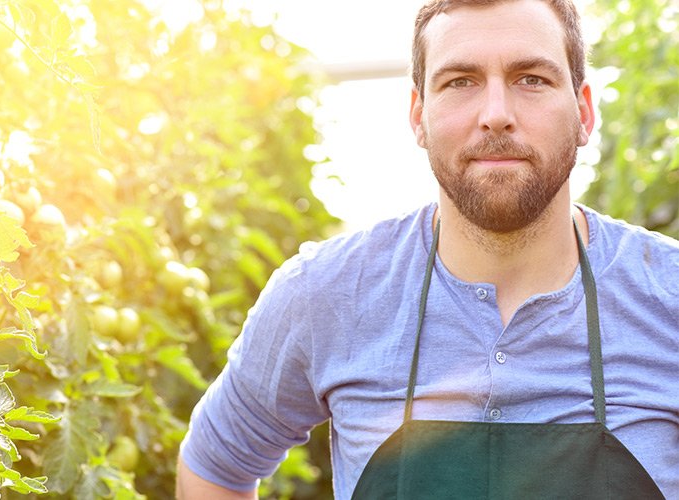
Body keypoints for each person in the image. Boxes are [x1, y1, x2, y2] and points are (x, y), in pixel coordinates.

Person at [176, 0, 679, 498]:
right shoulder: (324, 293)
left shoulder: (668, 295)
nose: (496, 115)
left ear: (584, 111)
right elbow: (215, 467)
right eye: (460, 81)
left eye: (531, 79)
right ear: (418, 116)